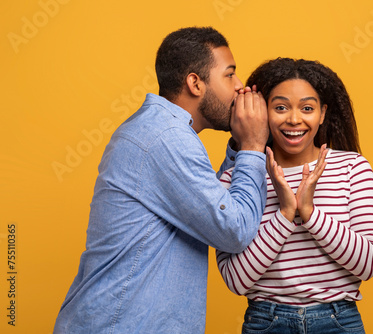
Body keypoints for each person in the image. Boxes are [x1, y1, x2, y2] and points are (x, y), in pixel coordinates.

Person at [54, 27, 269, 333]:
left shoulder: (162, 131)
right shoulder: (166, 138)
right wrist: (252, 147)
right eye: (230, 75)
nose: (240, 87)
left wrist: (238, 147)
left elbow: (213, 205)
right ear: (195, 83)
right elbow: (233, 229)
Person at [216, 58, 373, 334]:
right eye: (280, 107)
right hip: (265, 322)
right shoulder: (236, 179)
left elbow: (367, 264)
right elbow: (237, 281)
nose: (294, 119)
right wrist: (285, 214)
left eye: (307, 108)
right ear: (262, 112)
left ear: (322, 113)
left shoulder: (353, 167)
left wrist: (309, 213)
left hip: (338, 321)